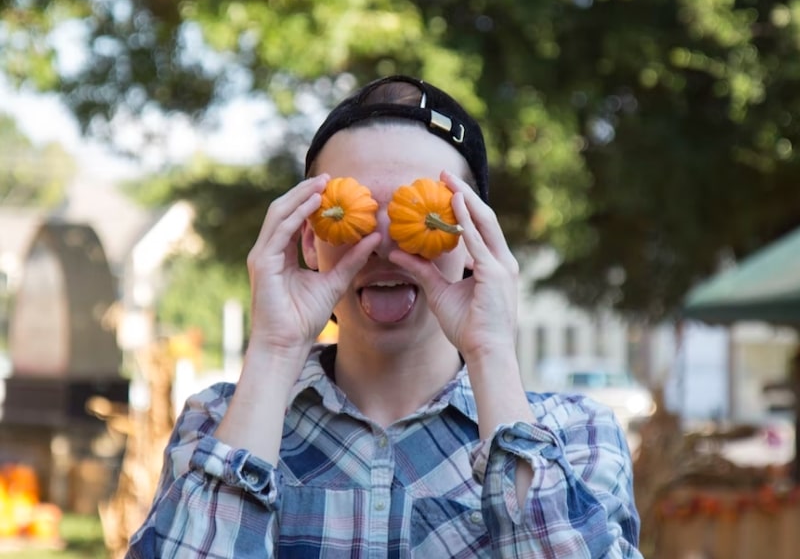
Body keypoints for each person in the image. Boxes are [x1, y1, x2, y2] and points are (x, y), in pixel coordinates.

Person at [127, 75, 643, 558]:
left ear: (472, 241)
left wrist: (492, 353)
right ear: (309, 239)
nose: (383, 245)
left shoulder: (576, 436)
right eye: (349, 212)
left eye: (418, 213)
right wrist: (274, 349)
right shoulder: (221, 422)